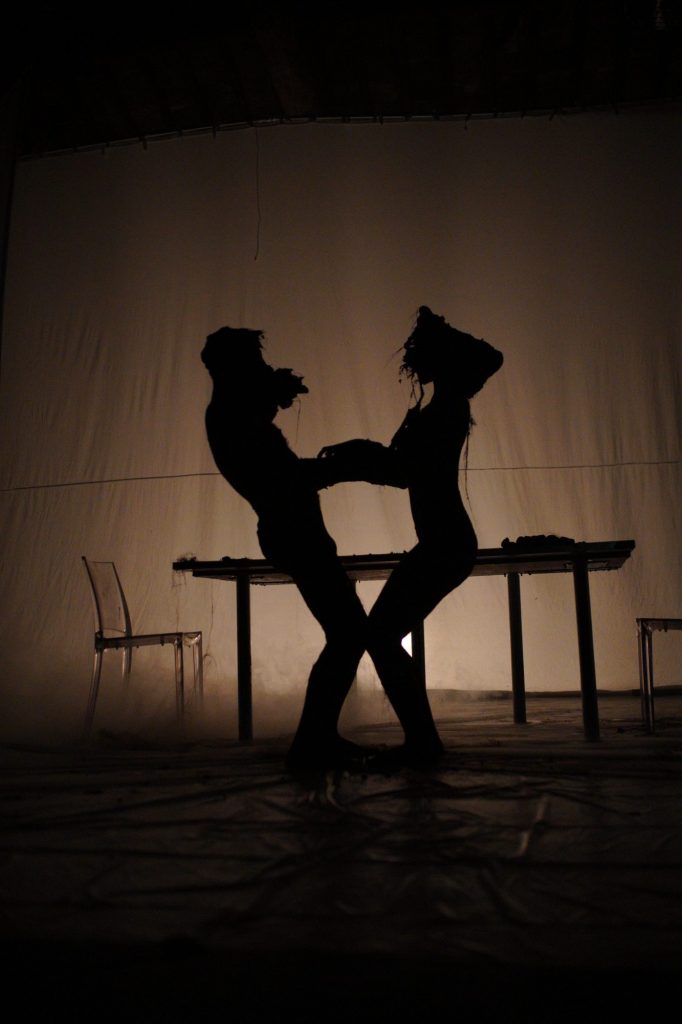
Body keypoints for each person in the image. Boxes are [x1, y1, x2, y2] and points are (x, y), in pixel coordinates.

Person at [317, 306, 504, 766]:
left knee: (380, 636)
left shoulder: (448, 406)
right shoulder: (439, 406)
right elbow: (400, 469)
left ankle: (423, 742)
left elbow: (402, 471)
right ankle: (422, 740)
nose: (411, 362)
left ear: (440, 359)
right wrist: (357, 457)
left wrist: (353, 458)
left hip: (446, 545)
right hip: (442, 544)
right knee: (381, 636)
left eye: (420, 353)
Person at [201, 326, 370, 769]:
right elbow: (285, 477)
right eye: (254, 363)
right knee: (349, 632)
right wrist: (352, 467)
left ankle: (317, 737)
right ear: (237, 368)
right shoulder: (232, 419)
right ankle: (314, 740)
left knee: (347, 632)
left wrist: (271, 397)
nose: (263, 369)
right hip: (294, 533)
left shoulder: (232, 415)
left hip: (293, 532)